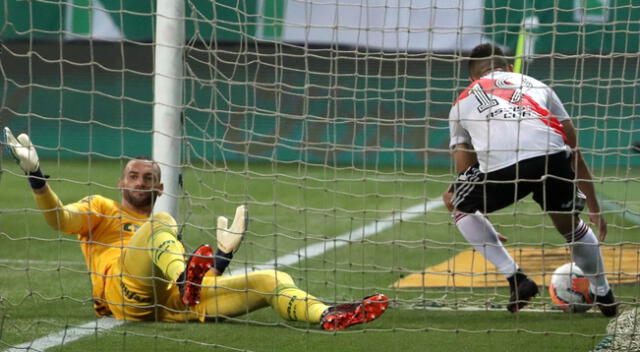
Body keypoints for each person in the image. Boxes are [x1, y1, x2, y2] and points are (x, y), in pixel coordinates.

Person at [3, 127, 388, 329]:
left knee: (271, 278)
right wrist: (37, 178)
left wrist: (223, 255)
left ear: (160, 187)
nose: (139, 182)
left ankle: (326, 316)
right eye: (132, 176)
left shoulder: (163, 235)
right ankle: (186, 276)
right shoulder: (101, 210)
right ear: (121, 183)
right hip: (124, 297)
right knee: (160, 227)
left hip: (169, 304)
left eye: (147, 177)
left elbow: (198, 287)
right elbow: (59, 220)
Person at [447, 43, 617, 316]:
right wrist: (595, 207)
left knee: (453, 201)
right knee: (570, 227)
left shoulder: (461, 102)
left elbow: (463, 168)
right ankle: (603, 292)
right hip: (551, 157)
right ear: (510, 68)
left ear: (472, 78)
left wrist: (477, 212)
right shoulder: (538, 85)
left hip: (503, 168)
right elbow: (573, 150)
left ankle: (517, 279)